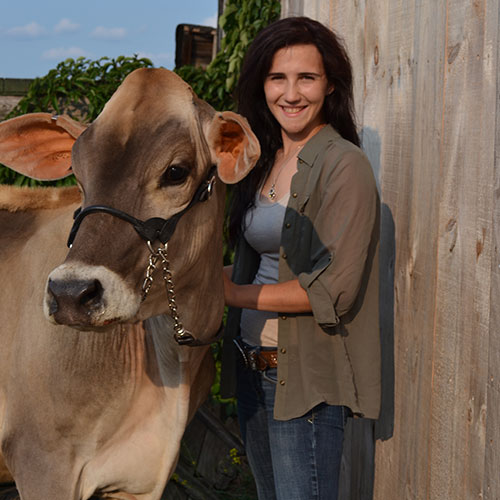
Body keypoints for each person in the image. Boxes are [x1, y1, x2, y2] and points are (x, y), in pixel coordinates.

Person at [220, 16, 381, 500]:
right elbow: (267, 263)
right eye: (278, 78)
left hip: (302, 383)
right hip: (252, 371)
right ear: (261, 85)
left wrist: (231, 293)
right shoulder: (262, 161)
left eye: (306, 78)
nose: (291, 93)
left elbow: (333, 288)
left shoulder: (343, 164)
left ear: (329, 84)